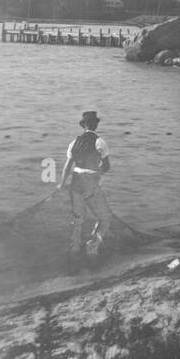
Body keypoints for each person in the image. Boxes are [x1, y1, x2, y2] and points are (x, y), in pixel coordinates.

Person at [59, 111, 114, 271]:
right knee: (105, 217)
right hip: (90, 183)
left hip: (75, 184)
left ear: (84, 126)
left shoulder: (74, 142)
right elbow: (107, 167)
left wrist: (62, 184)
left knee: (77, 220)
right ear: (96, 125)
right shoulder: (100, 142)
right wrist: (98, 174)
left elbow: (67, 167)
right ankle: (92, 247)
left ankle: (74, 252)